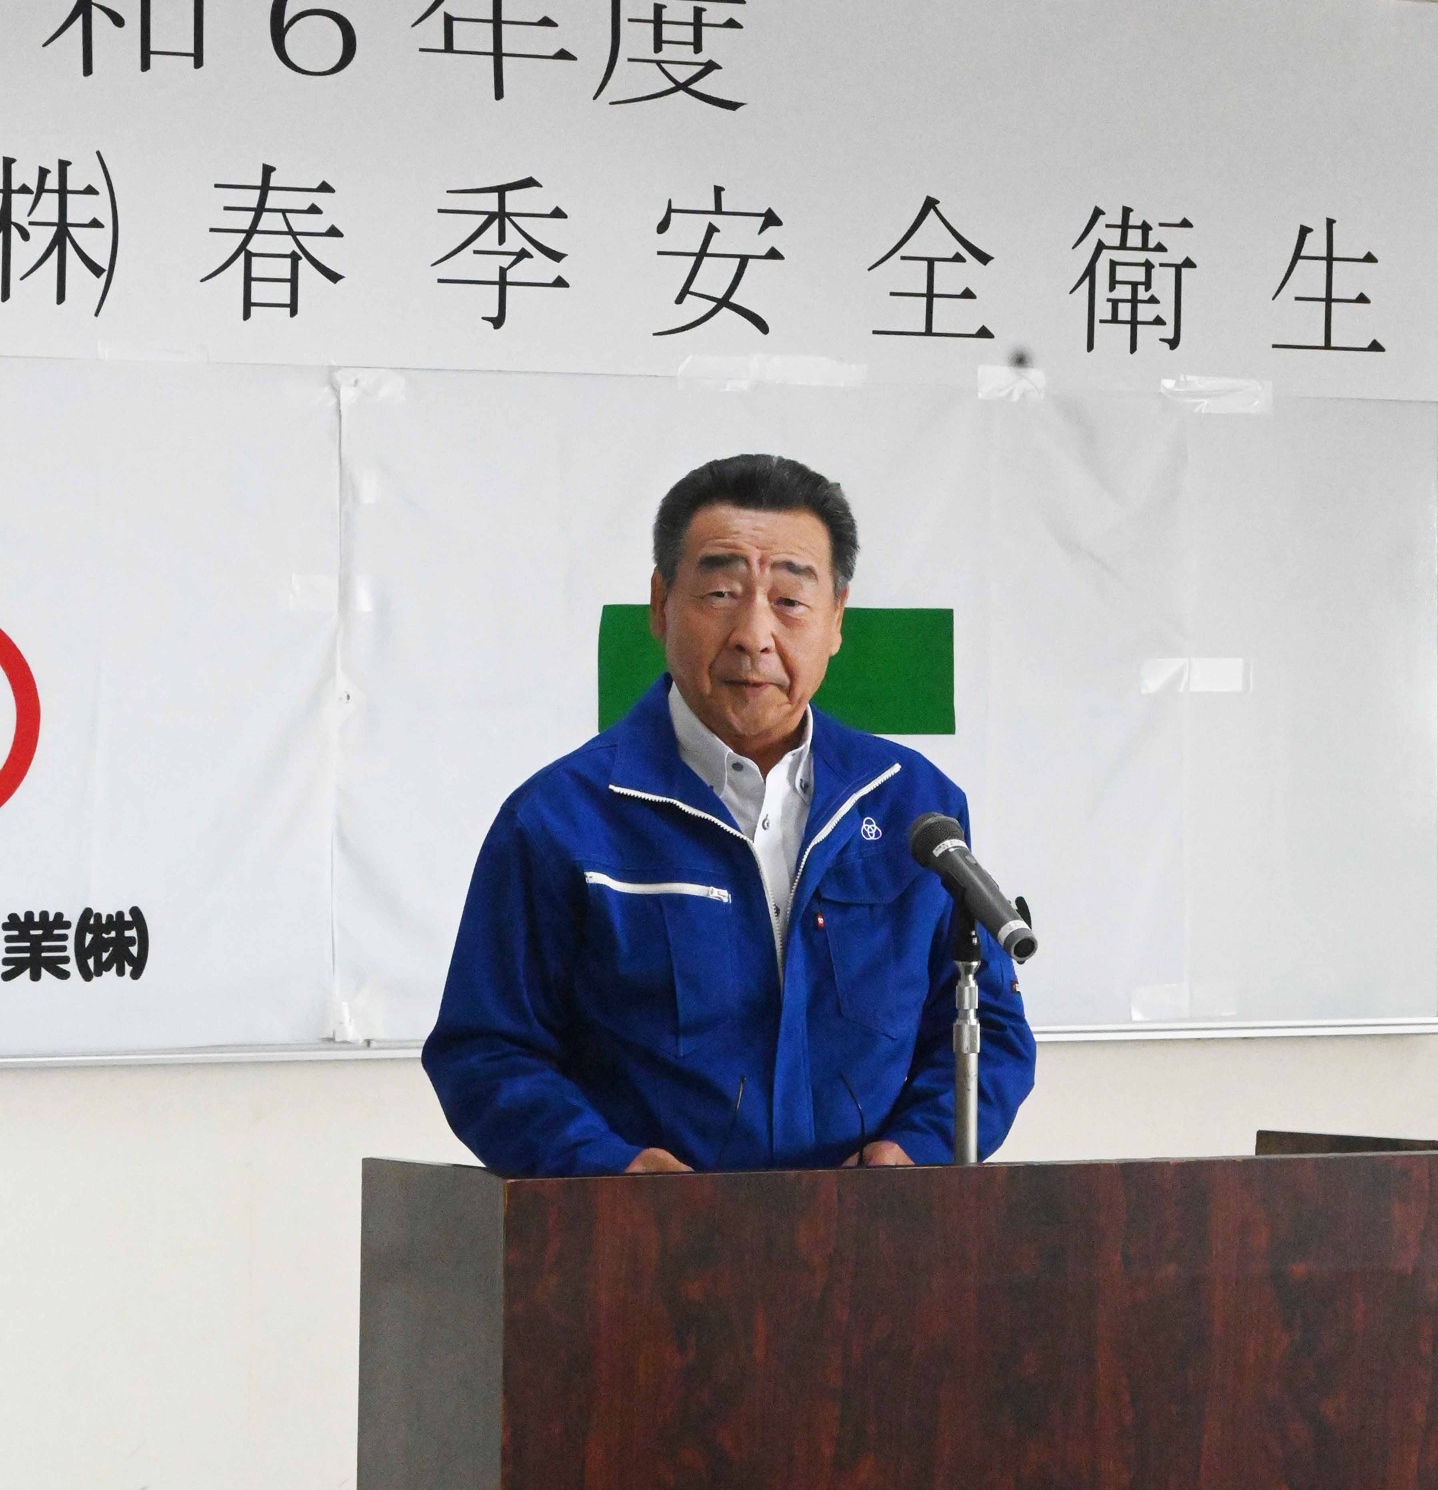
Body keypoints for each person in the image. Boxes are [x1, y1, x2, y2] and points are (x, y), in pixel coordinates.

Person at [423, 453, 1035, 1174]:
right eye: (720, 592)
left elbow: (987, 1031)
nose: (754, 634)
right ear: (660, 605)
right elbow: (485, 1052)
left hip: (869, 1231)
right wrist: (610, 1170)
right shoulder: (561, 819)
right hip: (641, 1234)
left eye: (791, 600)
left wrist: (913, 1155)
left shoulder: (913, 807)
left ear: (837, 619)